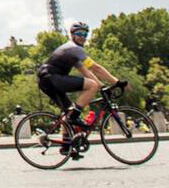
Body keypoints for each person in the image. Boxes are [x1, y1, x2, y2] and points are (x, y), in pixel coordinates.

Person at [36, 21, 123, 149]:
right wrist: (116, 82)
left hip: (46, 80)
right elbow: (96, 68)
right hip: (51, 77)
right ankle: (75, 117)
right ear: (72, 35)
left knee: (69, 112)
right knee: (80, 103)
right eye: (79, 34)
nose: (82, 36)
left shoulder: (72, 52)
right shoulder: (74, 48)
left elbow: (86, 72)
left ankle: (66, 147)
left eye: (85, 34)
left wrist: (102, 86)